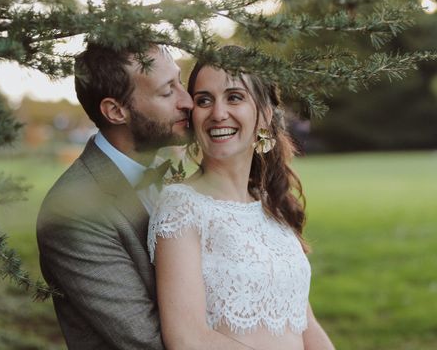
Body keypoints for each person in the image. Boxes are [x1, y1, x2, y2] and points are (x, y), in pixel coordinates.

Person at [148, 46, 336, 350]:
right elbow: (187, 339)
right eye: (204, 100)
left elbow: (306, 325)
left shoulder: (270, 203)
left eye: (234, 97)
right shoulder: (181, 207)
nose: (218, 113)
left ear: (264, 115)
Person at [36, 43, 193, 350]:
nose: (187, 101)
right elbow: (145, 341)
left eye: (180, 83)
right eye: (167, 92)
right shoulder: (72, 212)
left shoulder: (176, 172)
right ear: (116, 111)